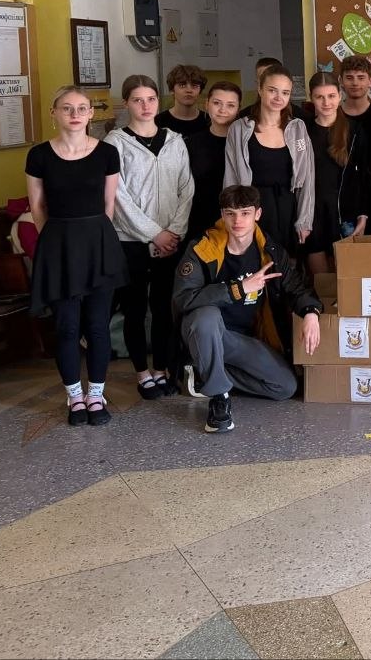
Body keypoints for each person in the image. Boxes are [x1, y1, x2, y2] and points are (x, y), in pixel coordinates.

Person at [174, 185, 323, 434]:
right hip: (207, 333)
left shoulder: (270, 251)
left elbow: (296, 287)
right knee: (206, 317)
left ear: (258, 214)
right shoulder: (202, 249)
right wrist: (239, 289)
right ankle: (219, 398)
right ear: (222, 215)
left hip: (243, 339)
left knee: (284, 386)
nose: (237, 221)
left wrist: (310, 312)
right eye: (230, 213)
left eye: (245, 213)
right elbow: (183, 298)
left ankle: (204, 373)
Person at [25, 86, 128, 426]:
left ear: (90, 114)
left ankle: (96, 394)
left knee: (97, 326)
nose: (75, 114)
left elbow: (109, 204)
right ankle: (74, 396)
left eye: (82, 108)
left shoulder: (107, 152)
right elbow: (38, 207)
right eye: (67, 108)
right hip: (58, 246)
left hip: (98, 243)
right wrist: (58, 242)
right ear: (54, 113)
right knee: (67, 327)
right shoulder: (39, 155)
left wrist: (94, 238)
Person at [104, 75, 195, 398]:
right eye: (137, 100)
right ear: (126, 104)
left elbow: (186, 187)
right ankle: (142, 372)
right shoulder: (115, 143)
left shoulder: (174, 140)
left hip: (171, 239)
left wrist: (174, 231)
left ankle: (161, 368)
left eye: (151, 99)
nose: (145, 106)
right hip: (131, 241)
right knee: (135, 308)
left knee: (162, 306)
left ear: (159, 101)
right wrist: (154, 233)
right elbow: (119, 197)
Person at [225, 66, 315, 252]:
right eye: (272, 90)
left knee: (287, 264)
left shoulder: (298, 129)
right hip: (252, 210)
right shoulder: (239, 129)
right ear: (260, 89)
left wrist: (304, 220)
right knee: (255, 262)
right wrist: (234, 218)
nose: (278, 97)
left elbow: (307, 179)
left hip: (288, 210)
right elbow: (231, 179)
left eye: (285, 93)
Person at [302, 71, 371, 275]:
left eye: (331, 96)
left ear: (340, 96)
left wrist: (363, 214)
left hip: (345, 211)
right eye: (320, 97)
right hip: (312, 211)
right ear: (311, 98)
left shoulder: (355, 130)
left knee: (345, 277)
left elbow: (364, 176)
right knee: (320, 279)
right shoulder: (303, 131)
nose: (326, 103)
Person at [185, 82, 242, 242]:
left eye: (230, 105)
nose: (223, 110)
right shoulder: (192, 143)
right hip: (199, 220)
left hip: (237, 221)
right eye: (217, 103)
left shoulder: (245, 144)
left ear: (238, 109)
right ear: (207, 104)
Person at [156, 64, 209, 137]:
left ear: (200, 91)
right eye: (182, 85)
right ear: (172, 90)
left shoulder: (209, 122)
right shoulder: (158, 122)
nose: (189, 90)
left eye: (194, 86)